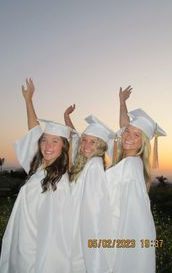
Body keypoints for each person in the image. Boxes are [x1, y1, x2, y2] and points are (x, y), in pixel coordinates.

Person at [0, 78, 73, 273]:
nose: (48, 146)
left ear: (64, 146)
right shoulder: (39, 166)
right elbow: (33, 130)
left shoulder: (60, 183)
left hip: (35, 251)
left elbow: (55, 232)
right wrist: (29, 100)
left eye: (55, 141)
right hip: (20, 241)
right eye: (45, 140)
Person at [106, 88, 166, 273]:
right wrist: (122, 102)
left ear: (144, 143)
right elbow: (124, 127)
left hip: (115, 238)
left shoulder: (129, 167)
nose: (128, 137)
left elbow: (134, 219)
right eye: (127, 132)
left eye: (136, 135)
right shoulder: (130, 162)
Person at [64, 110, 115, 273]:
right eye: (84, 140)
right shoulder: (87, 163)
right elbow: (76, 139)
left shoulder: (94, 167)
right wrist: (67, 118)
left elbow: (93, 212)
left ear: (100, 145)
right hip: (76, 230)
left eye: (93, 142)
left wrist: (93, 251)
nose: (86, 145)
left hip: (81, 234)